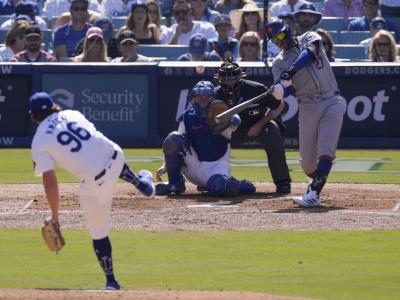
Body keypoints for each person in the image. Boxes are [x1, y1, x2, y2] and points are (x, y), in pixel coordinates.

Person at [29, 92, 155, 290]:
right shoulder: (72, 114)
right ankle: (141, 184)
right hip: (116, 154)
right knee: (104, 151)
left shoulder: (39, 141)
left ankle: (111, 281)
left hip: (98, 185)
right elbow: (90, 143)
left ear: (33, 116)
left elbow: (49, 182)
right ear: (53, 106)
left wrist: (55, 215)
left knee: (99, 233)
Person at [265, 19, 345, 207]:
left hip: (332, 100)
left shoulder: (309, 37)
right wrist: (278, 89)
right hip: (307, 105)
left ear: (289, 30)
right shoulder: (278, 63)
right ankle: (318, 178)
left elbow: (312, 52)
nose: (280, 42)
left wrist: (290, 72)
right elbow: (279, 90)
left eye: (282, 36)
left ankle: (314, 192)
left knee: (326, 149)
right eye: (275, 40)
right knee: (309, 165)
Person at [155, 80, 256, 197]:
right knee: (174, 138)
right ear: (194, 97)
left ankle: (238, 184)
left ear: (212, 97)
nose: (203, 99)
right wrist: (165, 166)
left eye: (207, 96)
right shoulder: (187, 116)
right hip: (193, 165)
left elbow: (234, 123)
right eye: (199, 96)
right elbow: (174, 145)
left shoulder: (223, 116)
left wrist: (233, 119)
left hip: (216, 166)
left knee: (219, 187)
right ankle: (175, 183)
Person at [214, 59, 292, 194]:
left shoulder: (256, 89)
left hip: (256, 127)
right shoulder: (214, 94)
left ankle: (283, 183)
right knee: (207, 136)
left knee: (272, 132)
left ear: (241, 77)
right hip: (227, 131)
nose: (230, 82)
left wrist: (260, 124)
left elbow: (280, 105)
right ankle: (210, 179)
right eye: (226, 79)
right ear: (219, 79)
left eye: (233, 78)